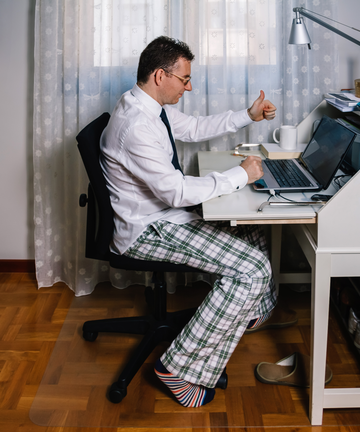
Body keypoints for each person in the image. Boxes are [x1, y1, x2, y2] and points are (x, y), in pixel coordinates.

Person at [100, 35, 283, 408]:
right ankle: (178, 367)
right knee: (252, 269)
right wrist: (239, 175)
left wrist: (245, 117)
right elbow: (175, 194)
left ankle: (245, 313)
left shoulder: (148, 104)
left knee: (251, 224)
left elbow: (192, 128)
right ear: (159, 75)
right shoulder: (135, 124)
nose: (189, 85)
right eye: (184, 79)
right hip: (147, 229)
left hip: (161, 215)